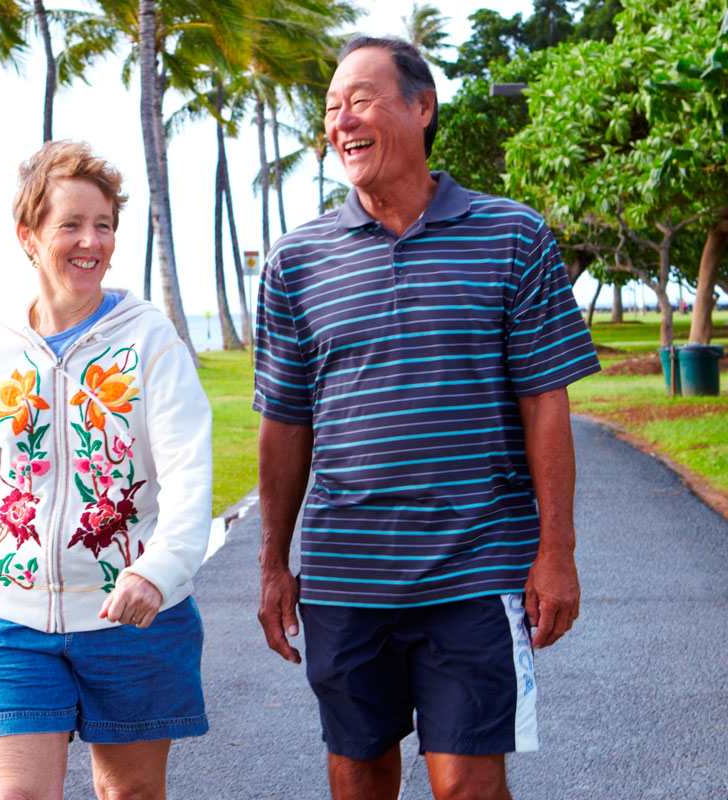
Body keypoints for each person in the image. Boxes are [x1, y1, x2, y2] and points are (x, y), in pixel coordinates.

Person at [253, 36, 601, 800]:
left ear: (422, 105)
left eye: (363, 99)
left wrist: (558, 551)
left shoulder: (511, 237)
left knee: (467, 785)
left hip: (476, 568)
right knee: (358, 776)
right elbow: (284, 421)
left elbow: (546, 401)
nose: (343, 120)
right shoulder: (295, 260)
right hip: (346, 573)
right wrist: (275, 562)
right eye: (332, 108)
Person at [0, 140, 213, 800]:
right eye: (70, 224)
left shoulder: (151, 340)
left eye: (103, 225)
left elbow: (190, 474)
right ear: (29, 237)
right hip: (6, 621)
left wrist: (157, 572)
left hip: (130, 620)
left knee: (128, 794)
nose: (90, 242)